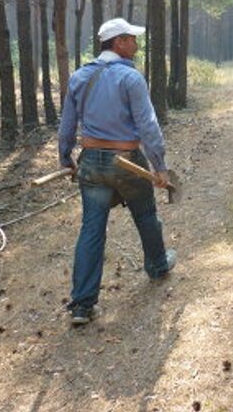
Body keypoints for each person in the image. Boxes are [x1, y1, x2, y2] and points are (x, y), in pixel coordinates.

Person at [58, 18, 176, 325]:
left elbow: (67, 125)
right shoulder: (131, 78)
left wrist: (66, 157)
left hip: (91, 161)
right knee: (146, 216)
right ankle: (158, 266)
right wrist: (160, 166)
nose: (136, 44)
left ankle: (82, 305)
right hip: (126, 160)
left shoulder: (79, 77)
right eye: (132, 39)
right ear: (119, 43)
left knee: (91, 229)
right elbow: (148, 126)